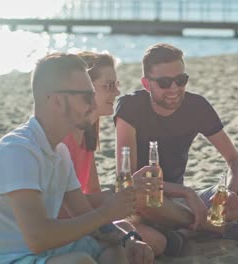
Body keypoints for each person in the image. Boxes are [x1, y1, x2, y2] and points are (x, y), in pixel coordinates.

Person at [0, 53, 154, 264]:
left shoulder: (59, 152)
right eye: (86, 96)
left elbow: (85, 214)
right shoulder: (18, 152)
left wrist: (128, 239)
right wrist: (109, 211)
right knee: (80, 261)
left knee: (114, 246)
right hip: (3, 258)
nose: (93, 104)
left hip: (41, 253)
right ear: (56, 101)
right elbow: (38, 238)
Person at [114, 43, 238, 241]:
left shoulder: (197, 106)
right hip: (147, 204)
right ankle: (217, 228)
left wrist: (230, 194)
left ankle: (195, 228)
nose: (174, 88)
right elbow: (129, 180)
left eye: (181, 80)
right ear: (147, 84)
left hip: (182, 204)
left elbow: (236, 160)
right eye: (164, 82)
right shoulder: (130, 108)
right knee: (143, 196)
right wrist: (187, 192)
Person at [60, 51, 166, 257]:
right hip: (67, 226)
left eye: (116, 84)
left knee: (153, 240)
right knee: (143, 241)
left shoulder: (87, 132)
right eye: (108, 86)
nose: (117, 92)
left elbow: (92, 191)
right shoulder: (63, 140)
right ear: (84, 89)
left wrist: (123, 197)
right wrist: (122, 195)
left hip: (83, 219)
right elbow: (69, 207)